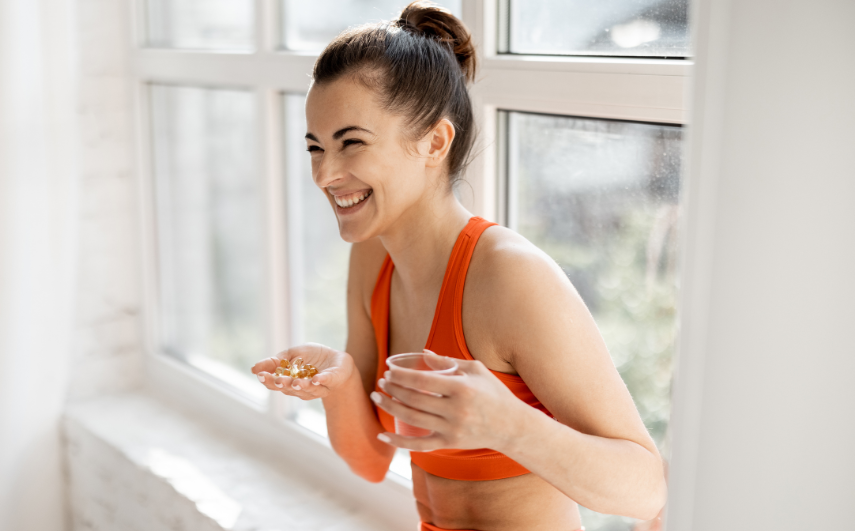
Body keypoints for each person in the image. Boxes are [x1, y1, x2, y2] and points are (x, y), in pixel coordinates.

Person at [251, 2, 667, 529]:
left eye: (351, 142)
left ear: (434, 142)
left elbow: (648, 489)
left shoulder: (510, 278)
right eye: (316, 148)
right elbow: (372, 460)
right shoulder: (372, 258)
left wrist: (509, 426)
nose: (325, 173)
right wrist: (339, 383)